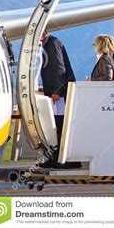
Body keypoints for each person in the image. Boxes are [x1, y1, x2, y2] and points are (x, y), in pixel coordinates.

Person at [39, 30, 76, 168]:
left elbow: (59, 69)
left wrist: (56, 91)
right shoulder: (48, 44)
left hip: (58, 94)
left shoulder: (52, 44)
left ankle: (63, 158)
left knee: (58, 125)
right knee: (55, 125)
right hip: (55, 92)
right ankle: (56, 157)